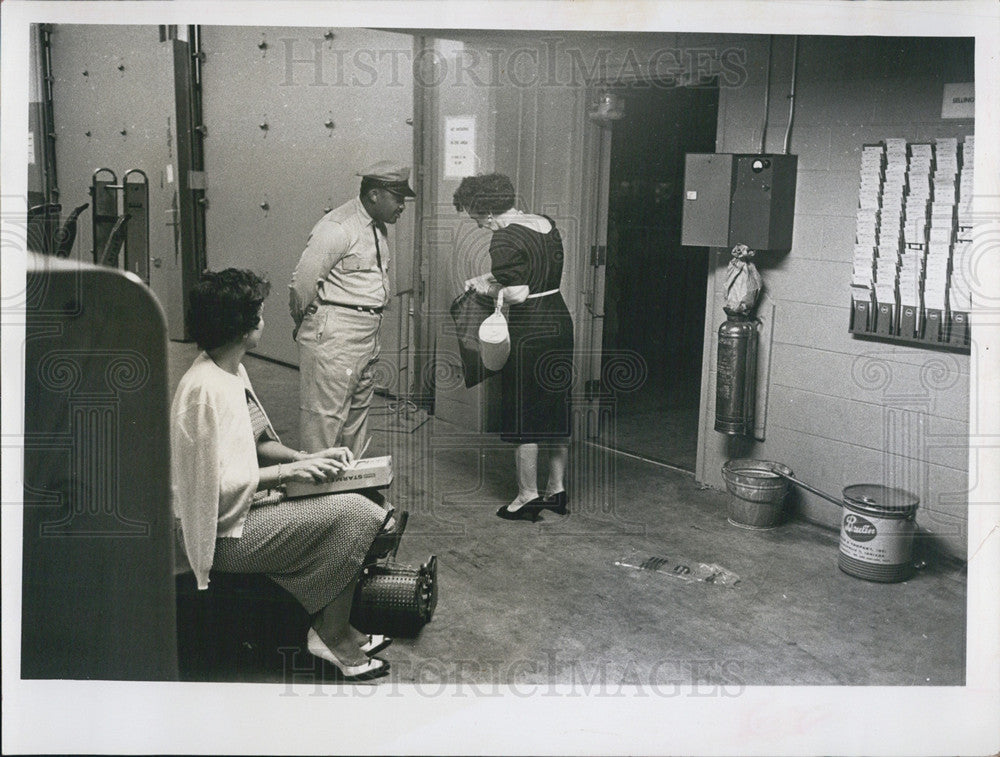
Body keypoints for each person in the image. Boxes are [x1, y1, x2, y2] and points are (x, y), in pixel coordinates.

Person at [172, 268, 394, 680]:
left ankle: (338, 626)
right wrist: (290, 472)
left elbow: (255, 441)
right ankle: (330, 635)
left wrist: (308, 457)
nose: (262, 319)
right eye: (257, 312)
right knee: (357, 516)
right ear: (240, 325)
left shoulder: (228, 369)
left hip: (241, 512)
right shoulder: (204, 389)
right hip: (222, 535)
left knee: (368, 499)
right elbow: (207, 491)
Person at [453, 173, 574, 521]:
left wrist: (482, 288)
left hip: (531, 324)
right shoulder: (544, 223)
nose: (479, 226)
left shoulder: (504, 238)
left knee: (525, 410)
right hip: (558, 319)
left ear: (487, 212)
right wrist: (492, 279)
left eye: (476, 219)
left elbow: (519, 292)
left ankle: (526, 496)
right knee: (554, 405)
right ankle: (557, 491)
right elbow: (535, 273)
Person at [289, 161, 416, 457]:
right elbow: (302, 284)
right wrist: (307, 324)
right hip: (336, 332)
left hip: (367, 332)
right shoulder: (338, 228)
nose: (402, 207)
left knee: (356, 418)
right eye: (398, 199)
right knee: (324, 420)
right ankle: (317, 498)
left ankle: (348, 495)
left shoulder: (377, 227)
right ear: (374, 195)